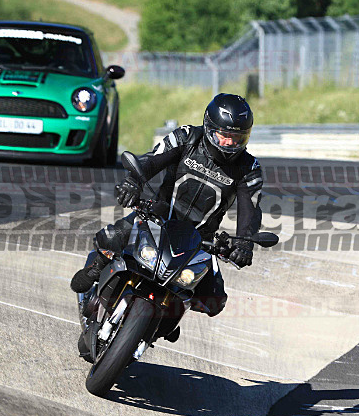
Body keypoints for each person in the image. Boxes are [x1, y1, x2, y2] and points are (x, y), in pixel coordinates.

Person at [70, 93, 263, 319]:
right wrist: (133, 182)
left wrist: (244, 244)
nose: (230, 143)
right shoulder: (186, 137)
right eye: (225, 135)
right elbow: (150, 160)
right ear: (210, 128)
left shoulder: (250, 169)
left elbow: (250, 210)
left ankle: (168, 315)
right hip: (157, 218)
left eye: (237, 138)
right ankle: (96, 269)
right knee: (112, 236)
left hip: (200, 240)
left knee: (214, 300)